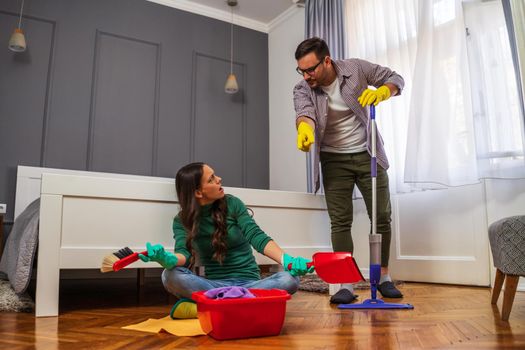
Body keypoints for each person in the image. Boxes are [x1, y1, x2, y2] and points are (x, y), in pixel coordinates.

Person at [293, 37, 404, 304]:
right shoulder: (302, 88)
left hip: (369, 154)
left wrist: (384, 91)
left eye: (311, 69)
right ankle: (346, 283)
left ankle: (384, 277)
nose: (306, 76)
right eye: (302, 70)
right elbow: (304, 112)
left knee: (381, 216)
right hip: (334, 160)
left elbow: (395, 77)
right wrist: (305, 128)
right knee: (340, 221)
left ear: (327, 60)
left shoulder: (356, 69)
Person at [139, 162, 313, 318]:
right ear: (198, 192)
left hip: (251, 283)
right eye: (212, 179)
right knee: (169, 275)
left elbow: (256, 235)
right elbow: (183, 254)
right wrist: (167, 259)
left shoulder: (233, 203)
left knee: (290, 279)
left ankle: (212, 305)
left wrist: (286, 260)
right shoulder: (181, 220)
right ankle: (243, 303)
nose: (219, 179)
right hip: (216, 285)